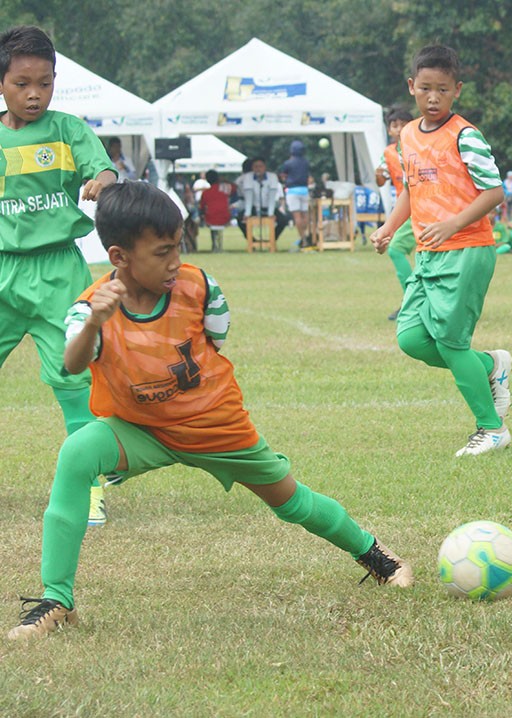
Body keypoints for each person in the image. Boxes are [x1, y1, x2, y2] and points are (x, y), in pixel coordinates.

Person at [5, 182, 412, 641]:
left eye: (177, 246)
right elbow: (73, 364)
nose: (175, 261)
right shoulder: (90, 308)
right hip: (142, 429)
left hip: (217, 427)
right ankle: (57, 600)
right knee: (78, 452)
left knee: (291, 501)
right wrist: (96, 322)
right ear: (119, 257)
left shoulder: (199, 287)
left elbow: (217, 337)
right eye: (161, 252)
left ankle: (378, 556)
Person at [370, 44, 512, 457]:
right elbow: (410, 191)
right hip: (430, 254)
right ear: (412, 86)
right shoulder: (408, 136)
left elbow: (495, 192)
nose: (433, 98)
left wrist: (454, 222)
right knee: (412, 337)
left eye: (443, 90)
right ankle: (490, 366)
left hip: (467, 249)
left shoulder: (466, 136)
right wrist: (387, 227)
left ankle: (491, 428)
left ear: (457, 91)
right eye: (426, 88)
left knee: (450, 342)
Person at [0, 25, 117, 526]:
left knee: (74, 378)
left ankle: (89, 488)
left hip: (57, 270)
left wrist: (102, 180)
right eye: (22, 82)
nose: (34, 93)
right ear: (2, 82)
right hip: (3, 267)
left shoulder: (69, 131)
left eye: (44, 83)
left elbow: (107, 170)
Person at [375, 108, 416, 321]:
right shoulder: (389, 152)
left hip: (422, 206)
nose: (398, 128)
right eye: (394, 125)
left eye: (403, 123)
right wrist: (378, 176)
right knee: (410, 252)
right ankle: (417, 301)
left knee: (397, 249)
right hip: (405, 208)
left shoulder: (419, 146)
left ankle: (413, 302)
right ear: (389, 130)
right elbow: (381, 180)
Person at [241, 157, 287, 239]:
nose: (258, 169)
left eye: (260, 166)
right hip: (254, 207)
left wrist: (271, 213)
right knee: (240, 218)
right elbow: (249, 197)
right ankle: (251, 240)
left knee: (283, 220)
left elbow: (272, 197)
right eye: (255, 166)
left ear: (265, 167)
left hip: (268, 206)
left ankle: (272, 239)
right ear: (252, 168)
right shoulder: (248, 177)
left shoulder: (272, 177)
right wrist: (247, 213)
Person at [278, 140, 311, 248]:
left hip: (292, 190)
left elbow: (283, 175)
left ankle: (303, 239)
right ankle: (305, 233)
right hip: (304, 190)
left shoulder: (288, 163)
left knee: (297, 216)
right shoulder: (306, 162)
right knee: (305, 214)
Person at [198, 169, 236, 252]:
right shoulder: (225, 188)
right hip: (225, 217)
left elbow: (202, 208)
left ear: (207, 180)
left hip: (211, 219)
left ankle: (214, 245)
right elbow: (235, 187)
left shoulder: (206, 193)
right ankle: (219, 245)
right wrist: (224, 180)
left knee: (211, 220)